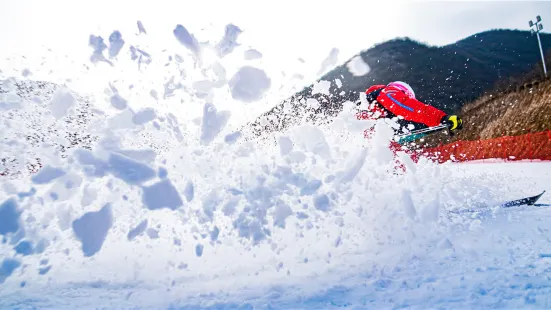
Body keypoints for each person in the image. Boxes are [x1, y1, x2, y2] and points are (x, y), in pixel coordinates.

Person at [356, 81, 463, 143]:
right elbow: (409, 108)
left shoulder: (380, 106)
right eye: (407, 97)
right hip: (356, 139)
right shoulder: (388, 92)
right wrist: (441, 118)